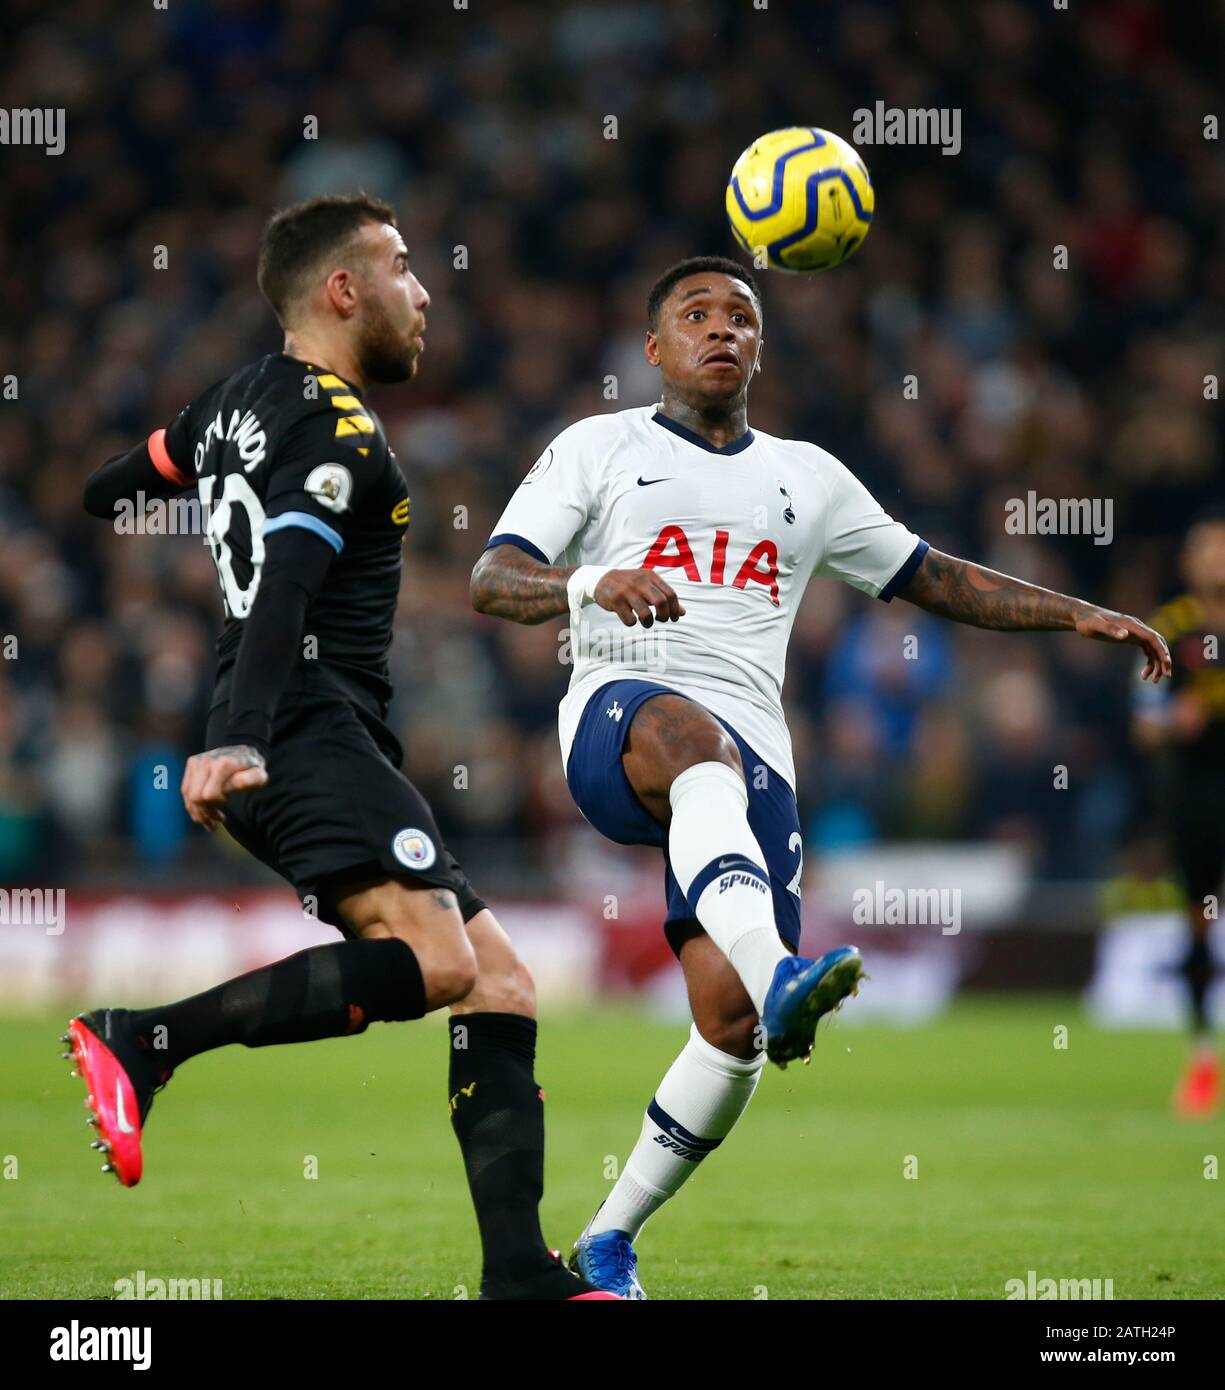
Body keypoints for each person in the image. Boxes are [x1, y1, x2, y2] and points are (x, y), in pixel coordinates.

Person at [471, 255, 1172, 1297]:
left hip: (755, 756)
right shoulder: (598, 447)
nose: (721, 329)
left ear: (760, 347)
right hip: (624, 714)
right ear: (653, 348)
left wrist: (1074, 611)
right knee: (691, 744)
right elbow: (492, 579)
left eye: (741, 317)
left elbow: (931, 575)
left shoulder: (809, 476)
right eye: (695, 315)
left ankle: (608, 1241)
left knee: (731, 1028)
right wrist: (589, 580)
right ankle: (784, 972)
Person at [68, 193, 609, 1300]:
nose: (424, 293)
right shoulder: (336, 427)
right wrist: (239, 741)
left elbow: (111, 486)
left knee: (498, 982)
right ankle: (143, 1040)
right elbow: (288, 579)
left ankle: (518, 1274)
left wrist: (156, 488)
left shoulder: (231, 406)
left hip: (308, 732)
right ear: (342, 290)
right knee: (445, 962)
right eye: (404, 268)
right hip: (303, 732)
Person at [1133, 514, 1225, 1117]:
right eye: (1207, 552)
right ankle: (1201, 1059)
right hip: (1195, 795)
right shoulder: (1167, 631)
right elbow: (1144, 724)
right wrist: (1175, 723)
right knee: (1197, 922)